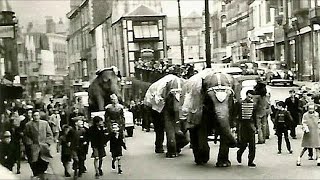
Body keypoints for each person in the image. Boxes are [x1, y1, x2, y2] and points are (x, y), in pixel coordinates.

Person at [24, 110, 53, 179]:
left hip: (44, 146)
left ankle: (42, 174)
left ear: (39, 116)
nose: (36, 117)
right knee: (35, 162)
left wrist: (47, 143)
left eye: (37, 115)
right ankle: (37, 175)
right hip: (34, 146)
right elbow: (26, 136)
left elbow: (49, 134)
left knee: (45, 161)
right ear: (32, 116)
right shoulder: (28, 124)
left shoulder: (45, 123)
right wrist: (30, 144)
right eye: (34, 115)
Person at [237, 90, 257, 167]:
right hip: (243, 125)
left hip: (250, 126)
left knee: (252, 145)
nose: (250, 98)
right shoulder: (240, 103)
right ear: (246, 95)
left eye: (251, 97)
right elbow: (236, 115)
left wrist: (256, 127)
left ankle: (250, 161)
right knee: (243, 144)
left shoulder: (254, 105)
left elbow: (254, 117)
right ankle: (239, 153)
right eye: (249, 97)